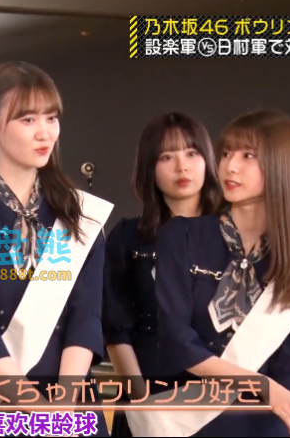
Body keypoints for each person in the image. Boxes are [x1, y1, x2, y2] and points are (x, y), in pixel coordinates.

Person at [126, 110, 290, 437]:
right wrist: (262, 386)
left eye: (248, 156)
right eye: (227, 153)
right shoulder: (181, 236)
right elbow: (177, 342)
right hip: (179, 421)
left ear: (282, 166)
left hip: (262, 423)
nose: (230, 166)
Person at [0, 61, 113, 436]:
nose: (44, 132)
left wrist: (63, 406)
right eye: (28, 120)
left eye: (51, 118)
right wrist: (38, 410)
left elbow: (85, 318)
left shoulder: (78, 211)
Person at [103, 113, 221, 437]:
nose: (182, 167)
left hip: (219, 396)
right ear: (149, 167)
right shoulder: (127, 237)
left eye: (191, 153)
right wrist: (141, 399)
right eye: (166, 157)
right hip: (146, 390)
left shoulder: (232, 236)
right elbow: (116, 329)